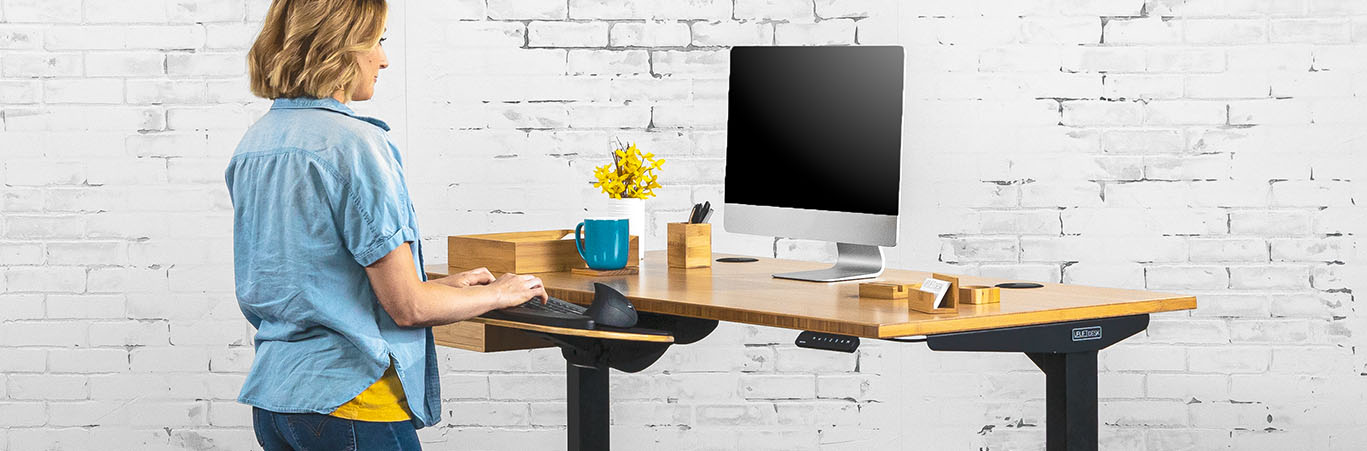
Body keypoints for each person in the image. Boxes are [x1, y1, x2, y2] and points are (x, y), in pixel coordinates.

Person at [225, 0, 548, 449]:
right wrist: (501, 293)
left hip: (278, 404)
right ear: (339, 49)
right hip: (351, 404)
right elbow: (408, 308)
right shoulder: (356, 145)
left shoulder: (256, 142)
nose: (384, 58)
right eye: (375, 42)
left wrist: (450, 287)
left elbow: (314, 278)